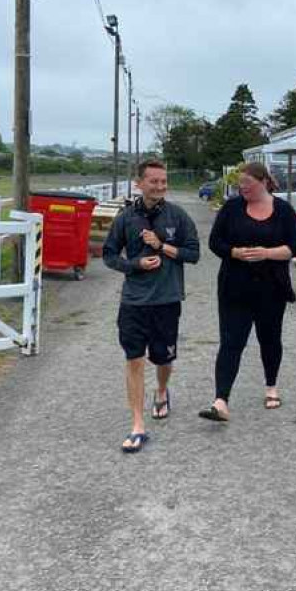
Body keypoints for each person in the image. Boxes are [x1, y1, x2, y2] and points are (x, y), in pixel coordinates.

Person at [103, 159, 200, 452]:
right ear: (139, 183)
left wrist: (162, 247)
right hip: (133, 302)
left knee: (162, 359)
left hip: (167, 300)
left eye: (163, 181)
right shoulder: (125, 218)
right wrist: (135, 264)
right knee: (134, 359)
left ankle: (161, 391)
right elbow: (108, 255)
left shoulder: (178, 216)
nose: (160, 186)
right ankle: (137, 425)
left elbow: (193, 254)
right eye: (153, 181)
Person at [198, 162, 296, 422]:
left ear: (264, 182)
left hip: (272, 289)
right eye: (240, 185)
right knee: (231, 342)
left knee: (270, 339)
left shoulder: (284, 211)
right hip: (234, 287)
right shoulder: (231, 208)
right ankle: (221, 400)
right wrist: (234, 252)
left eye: (248, 184)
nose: (242, 189)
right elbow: (215, 242)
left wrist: (267, 253)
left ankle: (271, 387)